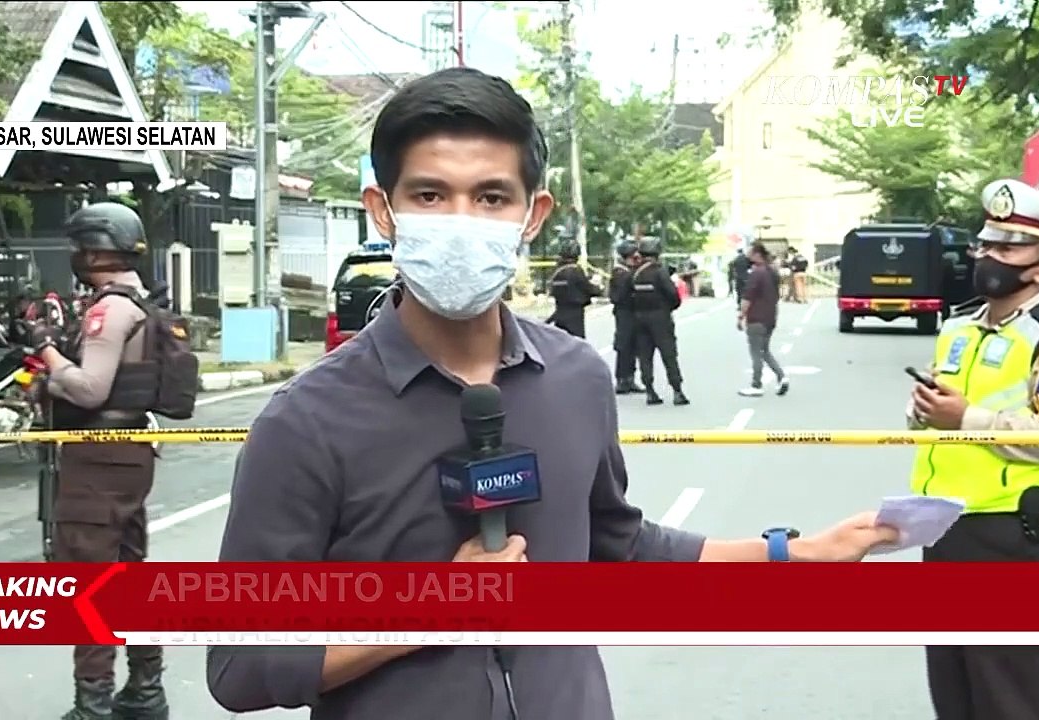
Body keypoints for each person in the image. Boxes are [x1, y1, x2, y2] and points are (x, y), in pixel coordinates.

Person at [208, 67, 900, 720]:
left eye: (490, 197)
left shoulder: (577, 377)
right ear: (382, 211)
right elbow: (240, 664)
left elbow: (615, 546)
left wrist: (794, 553)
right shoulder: (306, 422)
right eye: (429, 195)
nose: (461, 220)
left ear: (532, 214)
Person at [907, 178, 1039, 720]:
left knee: (1019, 692)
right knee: (957, 685)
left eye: (1009, 248)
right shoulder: (959, 330)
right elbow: (939, 418)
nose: (991, 256)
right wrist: (925, 410)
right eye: (986, 243)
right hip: (945, 525)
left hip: (1013, 535)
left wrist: (965, 417)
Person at [29, 202, 170, 720]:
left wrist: (46, 350)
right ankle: (145, 690)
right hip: (127, 455)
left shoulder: (107, 310)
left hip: (98, 458)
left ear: (92, 250)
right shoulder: (140, 301)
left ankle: (93, 705)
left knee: (90, 580)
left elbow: (91, 389)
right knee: (129, 574)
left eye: (77, 248)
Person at [630, 238, 690, 406]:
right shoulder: (659, 272)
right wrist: (668, 308)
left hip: (640, 318)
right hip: (660, 318)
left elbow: (628, 296)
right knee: (669, 355)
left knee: (645, 356)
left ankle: (650, 390)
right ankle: (677, 391)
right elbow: (673, 295)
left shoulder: (635, 274)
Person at [738, 242, 789, 397]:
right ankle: (781, 376)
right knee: (765, 350)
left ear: (757, 254)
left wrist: (741, 316)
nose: (748, 256)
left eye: (750, 253)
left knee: (756, 352)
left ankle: (756, 384)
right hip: (770, 316)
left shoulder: (756, 273)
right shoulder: (772, 272)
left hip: (756, 318)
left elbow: (748, 296)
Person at [609, 239, 643, 394]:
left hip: (633, 312)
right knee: (624, 345)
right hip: (624, 313)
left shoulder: (629, 271)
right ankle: (622, 379)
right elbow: (619, 296)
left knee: (633, 345)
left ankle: (630, 378)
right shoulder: (621, 273)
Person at [545, 241, 600, 338]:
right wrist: (598, 287)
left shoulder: (557, 271)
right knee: (577, 345)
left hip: (559, 312)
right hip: (575, 314)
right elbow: (588, 288)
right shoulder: (576, 270)